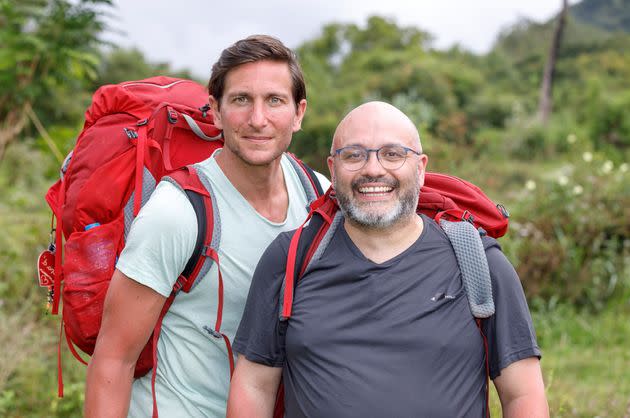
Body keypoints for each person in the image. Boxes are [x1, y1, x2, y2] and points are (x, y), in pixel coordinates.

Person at [228, 101, 549, 418]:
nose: (373, 169)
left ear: (421, 168)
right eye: (353, 155)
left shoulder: (478, 260)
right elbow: (255, 385)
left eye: (393, 154)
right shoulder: (291, 257)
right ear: (332, 169)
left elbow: (522, 393)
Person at [84, 35, 329, 418]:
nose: (257, 119)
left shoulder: (319, 197)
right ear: (215, 111)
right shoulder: (178, 212)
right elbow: (113, 360)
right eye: (241, 100)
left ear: (299, 113)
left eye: (275, 100)